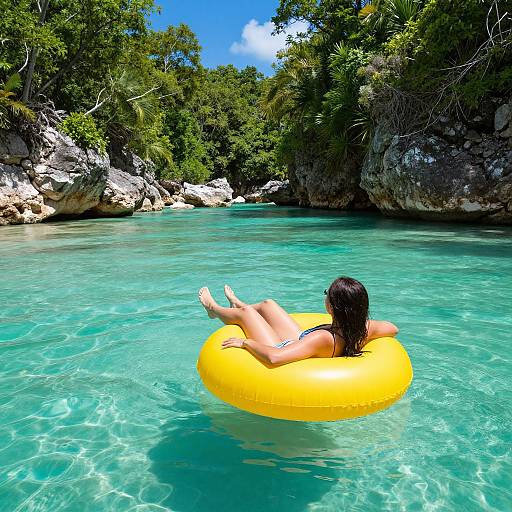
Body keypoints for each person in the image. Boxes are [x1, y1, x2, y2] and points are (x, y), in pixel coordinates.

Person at [198, 276, 398, 366]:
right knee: (268, 304)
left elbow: (275, 358)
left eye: (328, 294)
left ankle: (213, 310)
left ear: (333, 306)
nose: (326, 296)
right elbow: (393, 328)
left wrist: (245, 343)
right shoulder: (362, 328)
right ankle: (237, 303)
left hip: (282, 347)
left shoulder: (323, 339)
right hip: (301, 340)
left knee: (248, 314)